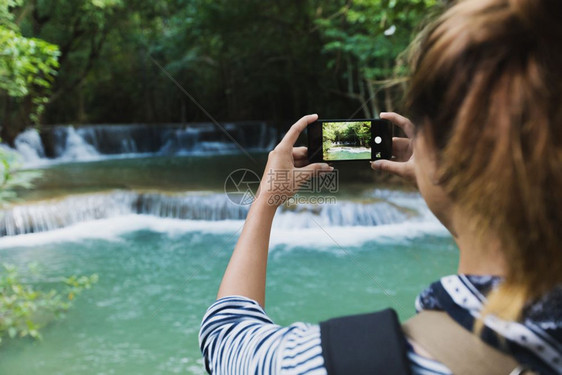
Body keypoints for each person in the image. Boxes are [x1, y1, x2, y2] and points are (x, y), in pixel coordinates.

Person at [199, 0, 562, 373]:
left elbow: (226, 337)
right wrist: (450, 186)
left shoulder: (343, 363)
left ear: (434, 145)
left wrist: (267, 198)